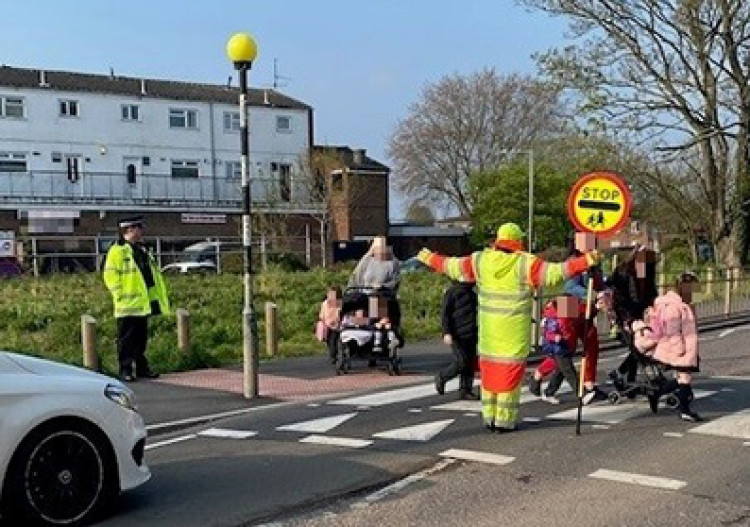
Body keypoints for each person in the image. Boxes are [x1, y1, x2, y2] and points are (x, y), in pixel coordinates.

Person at [417, 222, 599, 432]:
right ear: (518, 241)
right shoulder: (525, 264)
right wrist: (587, 260)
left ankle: (489, 418)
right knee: (509, 380)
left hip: (488, 335)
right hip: (513, 335)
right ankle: (504, 421)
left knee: (489, 378)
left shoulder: (480, 260)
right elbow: (557, 272)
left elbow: (451, 266)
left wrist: (427, 256)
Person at [103, 216, 170, 382]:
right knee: (126, 340)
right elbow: (110, 275)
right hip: (126, 304)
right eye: (138, 227)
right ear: (129, 230)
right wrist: (119, 294)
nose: (141, 231)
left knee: (141, 339)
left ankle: (142, 368)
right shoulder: (117, 251)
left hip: (142, 303)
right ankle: (125, 369)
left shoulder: (141, 250)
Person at [632, 273, 702, 422]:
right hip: (674, 348)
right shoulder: (673, 307)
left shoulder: (680, 304)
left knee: (685, 379)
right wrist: (679, 351)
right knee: (685, 378)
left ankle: (658, 393)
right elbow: (672, 332)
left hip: (684, 347)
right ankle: (684, 410)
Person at [608, 246, 659, 385]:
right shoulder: (623, 272)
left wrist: (654, 308)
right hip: (626, 315)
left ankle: (626, 375)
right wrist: (626, 319)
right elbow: (618, 296)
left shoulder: (648, 272)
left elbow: (651, 292)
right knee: (636, 346)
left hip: (642, 313)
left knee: (641, 345)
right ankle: (624, 373)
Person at [563, 247, 608, 404]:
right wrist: (593, 294)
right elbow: (569, 287)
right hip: (569, 305)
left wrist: (605, 292)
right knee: (565, 348)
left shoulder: (595, 264)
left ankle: (589, 384)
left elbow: (601, 283)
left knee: (591, 345)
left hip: (588, 308)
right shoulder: (574, 261)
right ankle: (541, 378)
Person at [348, 236, 402, 356]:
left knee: (379, 305)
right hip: (365, 293)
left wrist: (382, 286)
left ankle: (382, 340)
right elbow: (356, 277)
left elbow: (395, 281)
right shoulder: (366, 261)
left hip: (382, 294)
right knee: (356, 307)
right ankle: (357, 340)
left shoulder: (393, 262)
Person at [434, 280, 478, 400]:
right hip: (456, 334)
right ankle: (443, 376)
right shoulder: (452, 293)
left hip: (471, 332)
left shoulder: (472, 294)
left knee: (469, 363)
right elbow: (445, 314)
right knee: (461, 361)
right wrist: (446, 332)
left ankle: (466, 389)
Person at [533, 297, 580, 404]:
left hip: (565, 346)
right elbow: (550, 332)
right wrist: (555, 337)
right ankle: (581, 393)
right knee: (568, 370)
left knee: (560, 370)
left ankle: (548, 392)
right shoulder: (556, 316)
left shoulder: (565, 314)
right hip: (558, 347)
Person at [318, 286, 342, 364]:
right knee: (331, 341)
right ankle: (333, 355)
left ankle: (333, 356)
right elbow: (322, 315)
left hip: (335, 326)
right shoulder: (326, 303)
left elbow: (339, 315)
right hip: (329, 326)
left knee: (332, 341)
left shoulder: (338, 304)